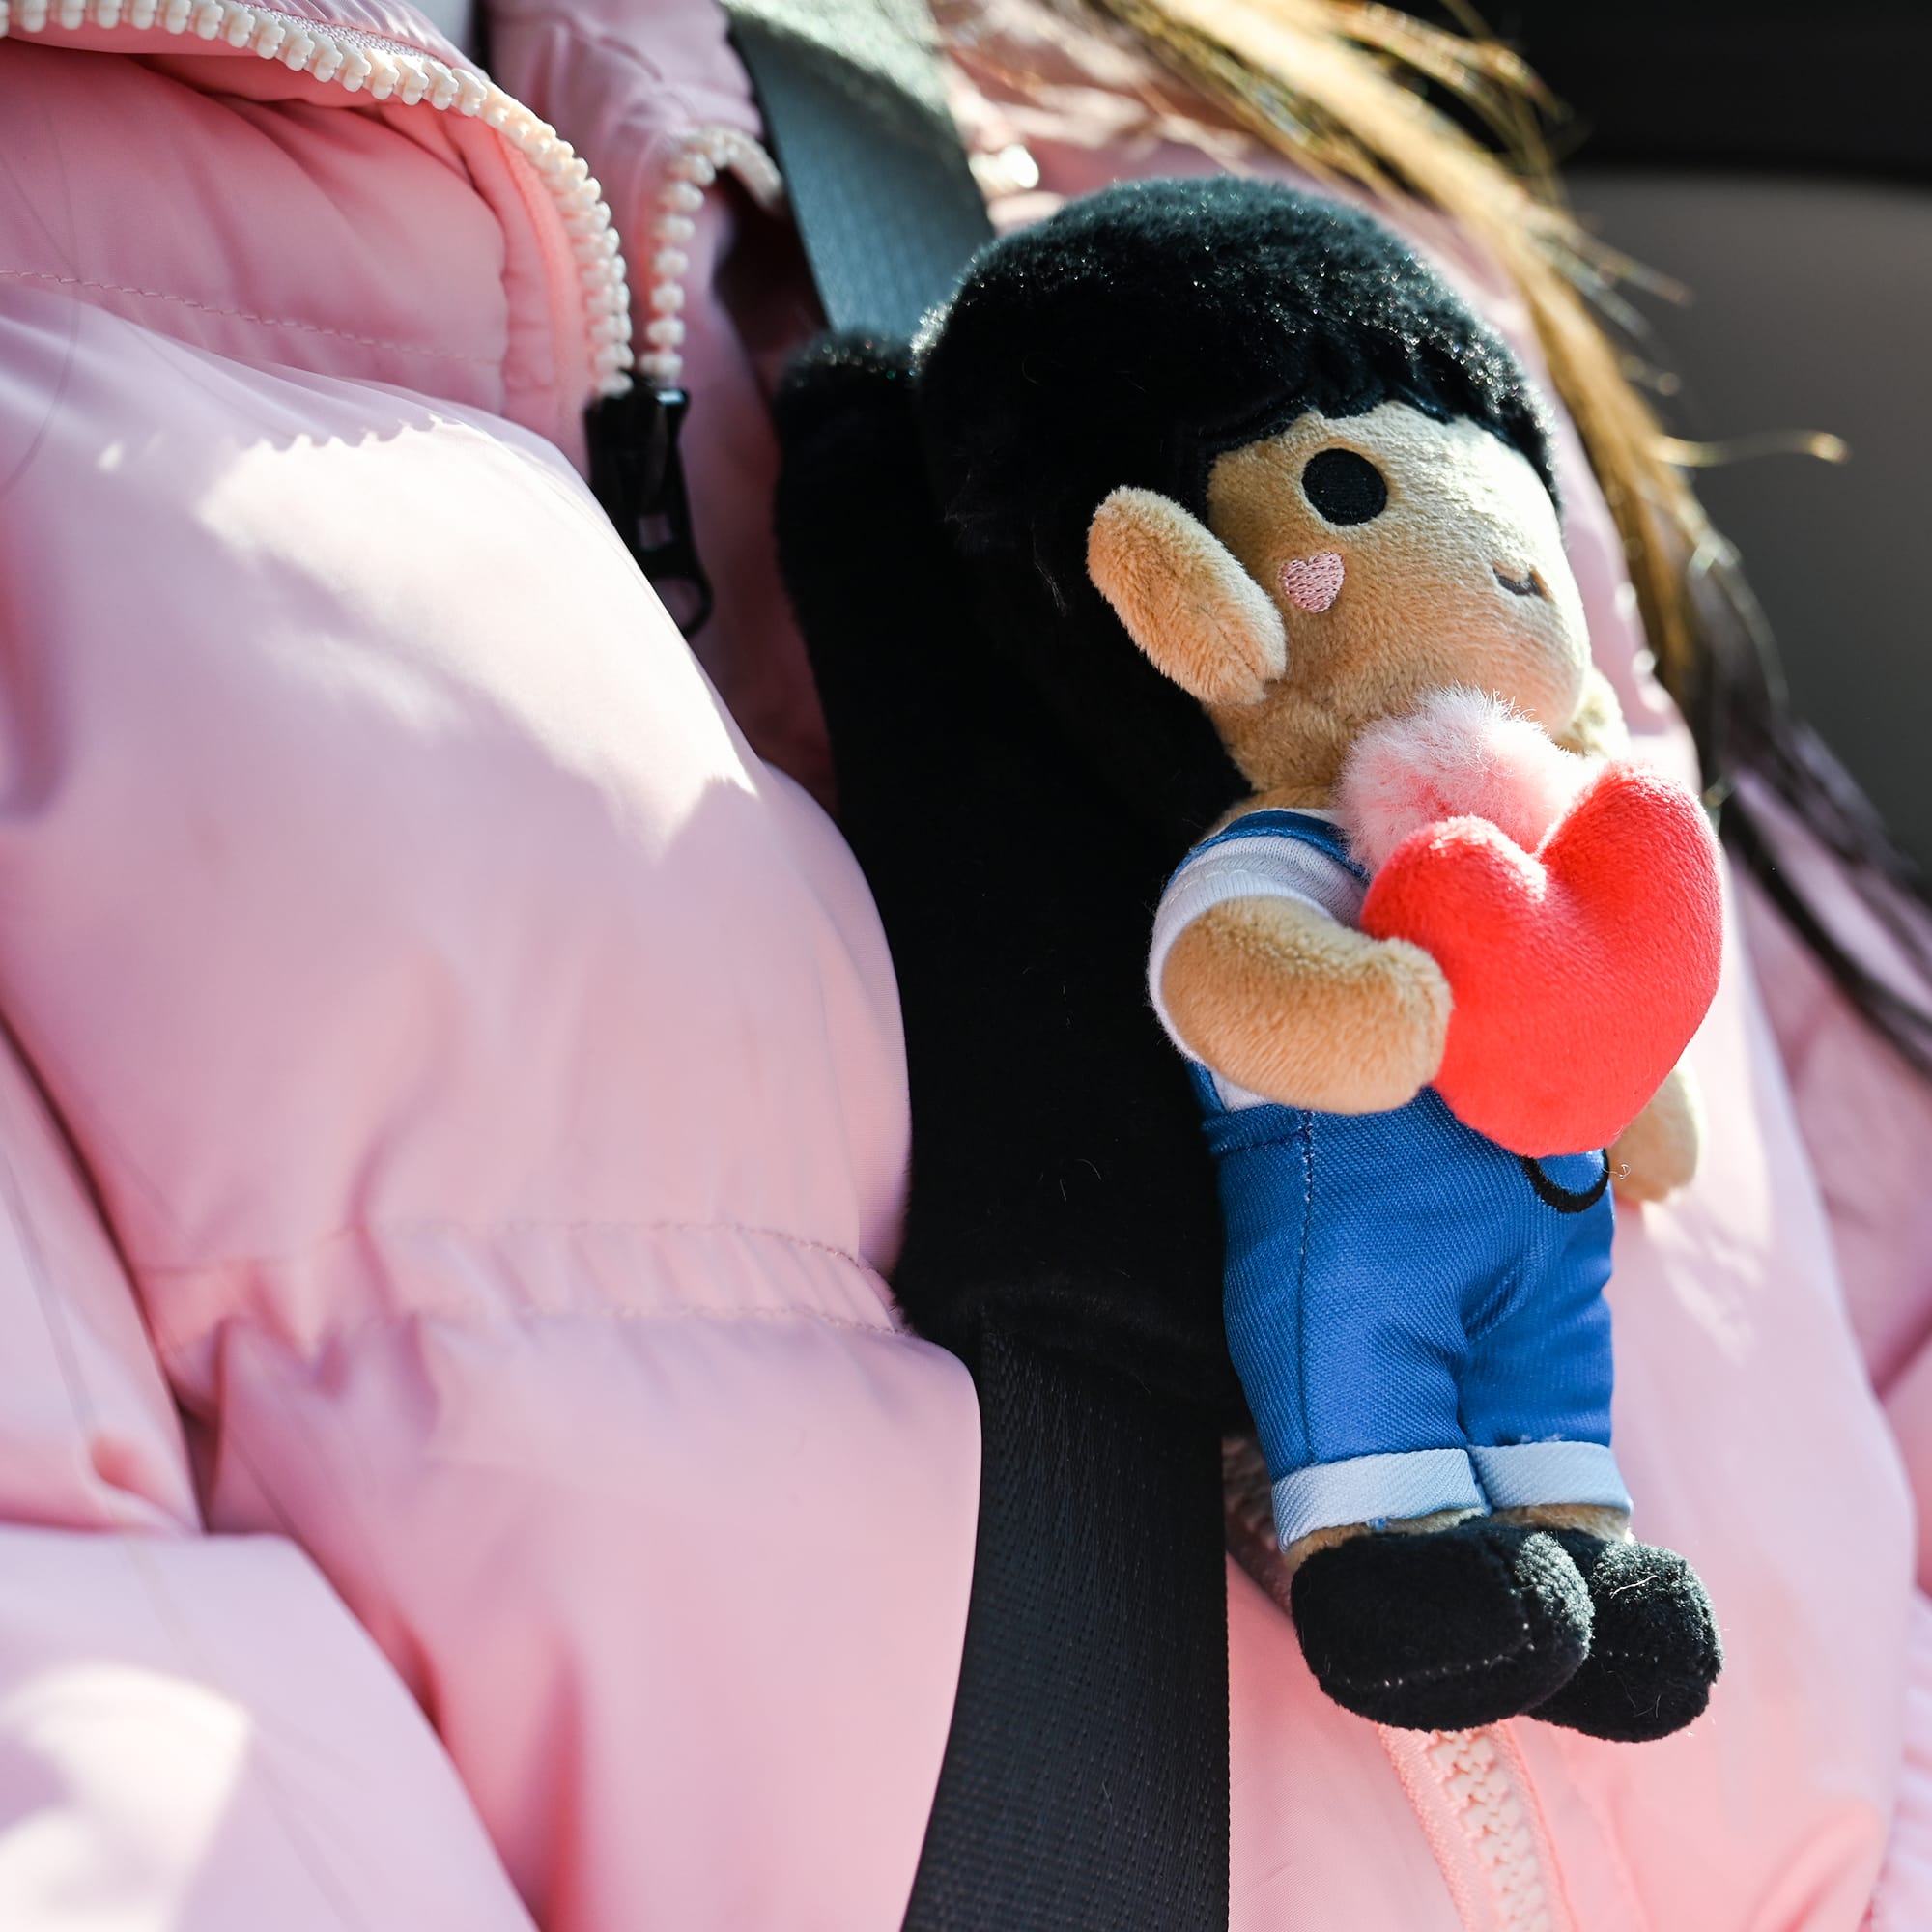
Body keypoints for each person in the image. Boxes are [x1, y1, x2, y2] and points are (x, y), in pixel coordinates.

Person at [0, 4, 1924, 1930]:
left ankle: (1564, 1529)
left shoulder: (1192, 154)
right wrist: (1399, 1004)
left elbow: (1874, 1286)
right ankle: (1393, 1543)